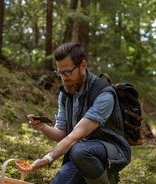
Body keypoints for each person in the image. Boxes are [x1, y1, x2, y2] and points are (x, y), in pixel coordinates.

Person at [16, 42, 131, 184]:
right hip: (80, 153)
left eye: (67, 72)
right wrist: (43, 127)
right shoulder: (65, 94)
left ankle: (107, 177)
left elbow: (76, 136)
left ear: (83, 65)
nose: (63, 78)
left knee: (79, 150)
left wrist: (48, 159)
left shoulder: (104, 94)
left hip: (113, 152)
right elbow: (63, 134)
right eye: (60, 73)